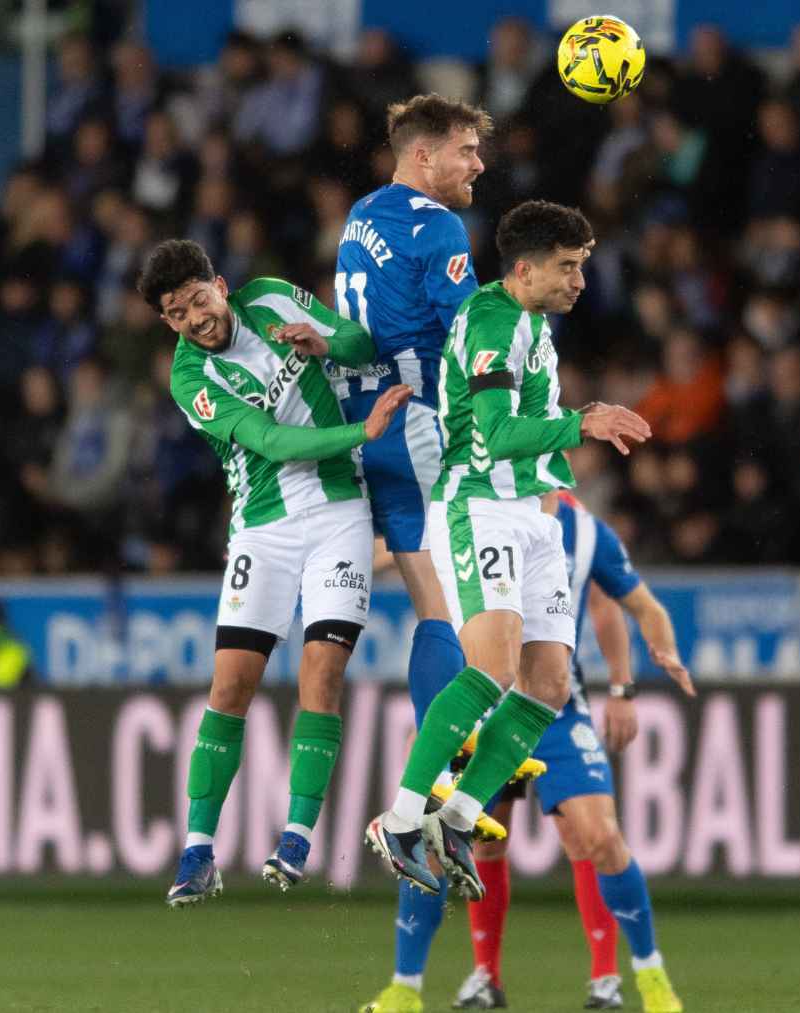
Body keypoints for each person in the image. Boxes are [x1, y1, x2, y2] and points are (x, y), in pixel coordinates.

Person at [360, 201, 650, 1012]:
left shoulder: (536, 330)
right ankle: (401, 816)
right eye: (568, 265)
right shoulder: (492, 323)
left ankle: (455, 815)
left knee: (549, 683)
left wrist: (567, 430)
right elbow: (492, 430)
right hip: (479, 508)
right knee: (489, 670)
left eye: (583, 264)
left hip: (534, 515)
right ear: (523, 269)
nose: (580, 279)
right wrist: (581, 418)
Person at [135, 239, 412, 906]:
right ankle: (199, 849)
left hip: (341, 509)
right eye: (177, 314)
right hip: (264, 524)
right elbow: (269, 442)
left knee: (323, 670)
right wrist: (360, 434)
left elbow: (355, 339)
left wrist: (322, 342)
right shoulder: (189, 380)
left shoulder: (269, 297)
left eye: (199, 299)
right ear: (168, 323)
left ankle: (296, 835)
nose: (196, 319)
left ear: (221, 284)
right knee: (230, 685)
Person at [333, 92, 491, 1004]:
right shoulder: (437, 232)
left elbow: (360, 328)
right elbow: (471, 336)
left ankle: (439, 776)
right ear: (425, 154)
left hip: (369, 419)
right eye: (467, 152)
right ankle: (436, 782)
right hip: (426, 420)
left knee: (427, 585)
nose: (477, 168)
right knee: (458, 601)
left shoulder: (363, 217)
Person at [451, 492, 694, 1012]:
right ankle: (484, 976)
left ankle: (635, 976)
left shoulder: (584, 531)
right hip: (487, 706)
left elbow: (623, 607)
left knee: (599, 836)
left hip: (558, 706)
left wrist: (628, 683)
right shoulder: (472, 504)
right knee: (482, 842)